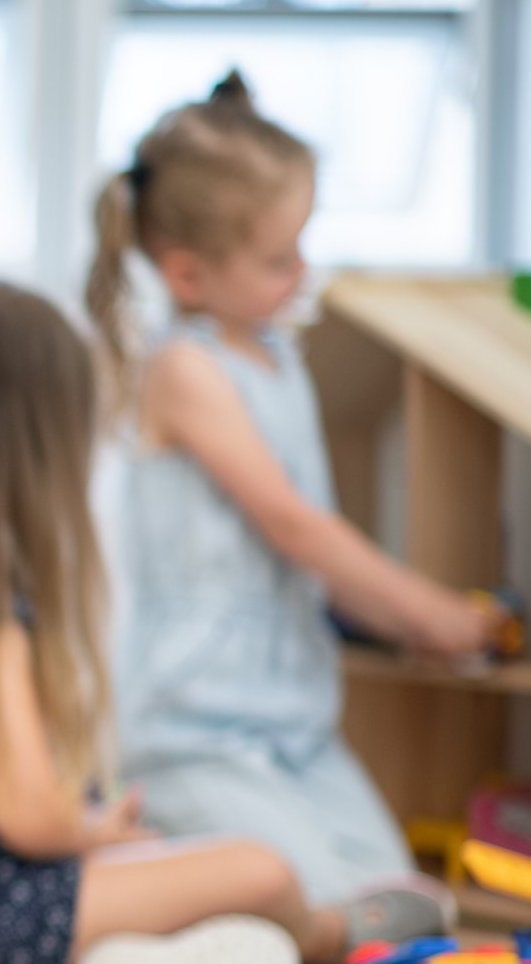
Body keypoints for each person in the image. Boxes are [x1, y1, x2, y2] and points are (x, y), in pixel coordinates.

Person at [0, 277, 450, 964]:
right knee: (260, 871)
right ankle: (330, 932)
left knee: (167, 861)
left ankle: (133, 963)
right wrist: (93, 829)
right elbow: (28, 812)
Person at [89, 72, 494, 909]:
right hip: (195, 732)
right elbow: (293, 525)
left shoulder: (285, 359)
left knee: (405, 905)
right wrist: (430, 616)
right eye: (279, 259)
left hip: (296, 728)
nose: (302, 272)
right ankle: (152, 926)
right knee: (310, 905)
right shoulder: (183, 369)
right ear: (189, 274)